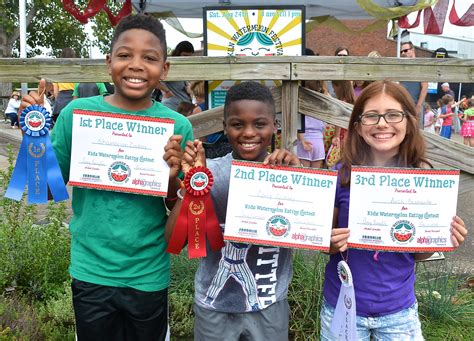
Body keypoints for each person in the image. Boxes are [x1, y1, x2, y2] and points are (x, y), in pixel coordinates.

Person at [18, 14, 193, 340]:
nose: (136, 65)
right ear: (108, 61)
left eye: (150, 58)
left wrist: (172, 179)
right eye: (125, 55)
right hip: (91, 271)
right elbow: (49, 192)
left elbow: (178, 214)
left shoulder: (176, 127)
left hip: (148, 273)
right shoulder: (76, 116)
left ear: (164, 69)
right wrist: (35, 137)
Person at [320, 80, 468, 340]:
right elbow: (323, 242)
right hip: (343, 306)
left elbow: (420, 255)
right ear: (357, 125)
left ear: (409, 122)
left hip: (398, 311)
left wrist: (440, 238)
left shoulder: (423, 180)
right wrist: (331, 242)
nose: (382, 123)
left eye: (393, 114)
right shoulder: (341, 175)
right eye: (371, 116)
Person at [165, 82, 300, 341]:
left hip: (269, 305)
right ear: (225, 127)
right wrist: (193, 182)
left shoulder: (288, 175)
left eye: (260, 124)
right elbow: (175, 241)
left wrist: (301, 177)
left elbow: (316, 229)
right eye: (238, 124)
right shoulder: (210, 173)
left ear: (275, 125)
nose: (249, 133)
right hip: (213, 308)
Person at [157, 40, 194, 111]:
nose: (186, 59)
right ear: (178, 54)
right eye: (184, 56)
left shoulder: (186, 69)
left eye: (189, 57)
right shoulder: (169, 66)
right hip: (171, 107)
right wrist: (166, 91)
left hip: (184, 109)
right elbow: (152, 79)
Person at [399, 41, 428, 122]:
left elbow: (425, 87)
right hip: (403, 105)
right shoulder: (401, 67)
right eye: (401, 51)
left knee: (415, 131)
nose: (403, 53)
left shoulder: (420, 66)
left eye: (405, 50)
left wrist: (418, 107)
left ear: (412, 50)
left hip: (415, 106)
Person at [52, 47, 77, 122]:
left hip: (60, 100)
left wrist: (58, 101)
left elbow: (56, 92)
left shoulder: (57, 71)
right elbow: (77, 88)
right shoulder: (76, 70)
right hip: (73, 98)